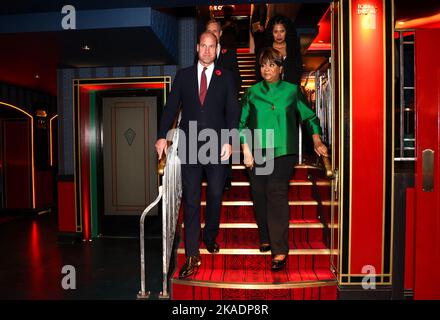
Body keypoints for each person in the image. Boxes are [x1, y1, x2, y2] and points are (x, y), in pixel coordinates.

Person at [155, 31, 240, 279]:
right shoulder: (183, 76)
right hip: (190, 146)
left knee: (215, 194)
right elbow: (171, 106)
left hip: (217, 146)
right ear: (196, 47)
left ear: (217, 49)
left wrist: (231, 139)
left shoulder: (226, 78)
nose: (206, 50)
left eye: (211, 46)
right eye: (203, 46)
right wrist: (162, 135)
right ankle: (192, 255)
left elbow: (233, 110)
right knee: (191, 200)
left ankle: (210, 235)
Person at [239, 47, 328, 270]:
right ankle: (265, 236)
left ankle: (279, 250)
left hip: (283, 152)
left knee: (275, 192)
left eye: (271, 65)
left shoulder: (291, 91)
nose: (266, 69)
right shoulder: (252, 92)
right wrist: (246, 150)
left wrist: (316, 141)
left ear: (280, 68)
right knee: (259, 194)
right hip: (257, 152)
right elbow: (240, 124)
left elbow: (310, 117)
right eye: (263, 65)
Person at [205, 19, 241, 190]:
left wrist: (230, 99)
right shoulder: (201, 54)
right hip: (209, 108)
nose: (212, 33)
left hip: (226, 107)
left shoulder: (230, 54)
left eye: (214, 31)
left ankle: (227, 176)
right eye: (208, 30)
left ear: (219, 34)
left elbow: (237, 80)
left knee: (226, 139)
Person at [256, 14, 303, 85]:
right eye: (275, 32)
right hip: (270, 91)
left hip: (289, 91)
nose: (279, 35)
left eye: (282, 31)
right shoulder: (264, 50)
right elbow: (258, 73)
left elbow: (298, 72)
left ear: (286, 32)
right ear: (271, 33)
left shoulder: (294, 49)